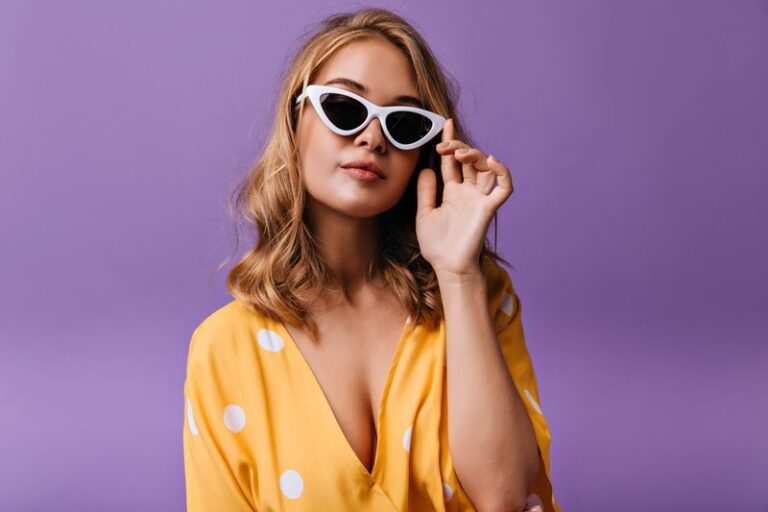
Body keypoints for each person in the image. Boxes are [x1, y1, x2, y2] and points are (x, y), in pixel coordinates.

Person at [183, 7, 560, 512]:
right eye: (344, 107)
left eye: (404, 123)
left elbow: (508, 495)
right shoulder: (225, 349)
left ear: (426, 153)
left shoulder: (477, 294)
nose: (372, 137)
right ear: (296, 123)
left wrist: (457, 274)